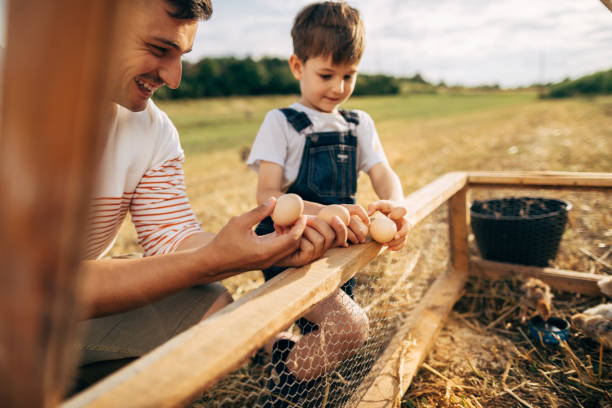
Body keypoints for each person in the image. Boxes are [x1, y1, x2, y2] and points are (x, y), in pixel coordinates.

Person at [73, 0, 348, 391]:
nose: (173, 77)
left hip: (55, 315)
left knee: (208, 307)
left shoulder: (153, 130)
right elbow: (33, 286)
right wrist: (213, 259)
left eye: (181, 55)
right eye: (158, 49)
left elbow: (172, 239)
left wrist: (263, 247)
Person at [246, 1, 411, 406]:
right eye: (326, 74)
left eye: (348, 75)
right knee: (343, 327)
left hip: (342, 243)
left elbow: (382, 170)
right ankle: (285, 391)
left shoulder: (359, 124)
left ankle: (279, 348)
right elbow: (267, 195)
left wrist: (395, 204)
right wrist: (324, 212)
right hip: (294, 242)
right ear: (297, 66)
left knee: (319, 325)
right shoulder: (282, 122)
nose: (338, 87)